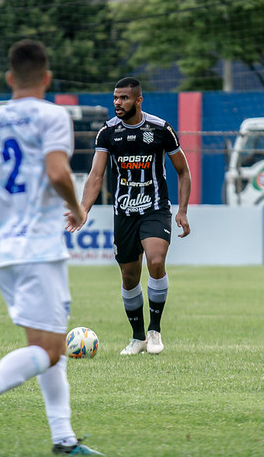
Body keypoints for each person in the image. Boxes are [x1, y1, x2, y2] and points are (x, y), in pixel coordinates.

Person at [0, 40, 102, 456]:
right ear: (47, 78)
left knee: (48, 344)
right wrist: (76, 206)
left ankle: (64, 440)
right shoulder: (53, 115)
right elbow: (57, 171)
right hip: (39, 249)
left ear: (10, 78)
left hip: (6, 251)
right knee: (49, 349)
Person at [66, 77, 191, 356]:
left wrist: (181, 210)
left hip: (155, 207)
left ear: (138, 100)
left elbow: (183, 170)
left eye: (123, 98)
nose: (117, 103)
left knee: (156, 260)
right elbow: (96, 175)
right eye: (115, 98)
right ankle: (137, 338)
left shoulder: (160, 129)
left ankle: (154, 331)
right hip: (124, 212)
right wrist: (83, 208)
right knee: (129, 277)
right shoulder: (107, 133)